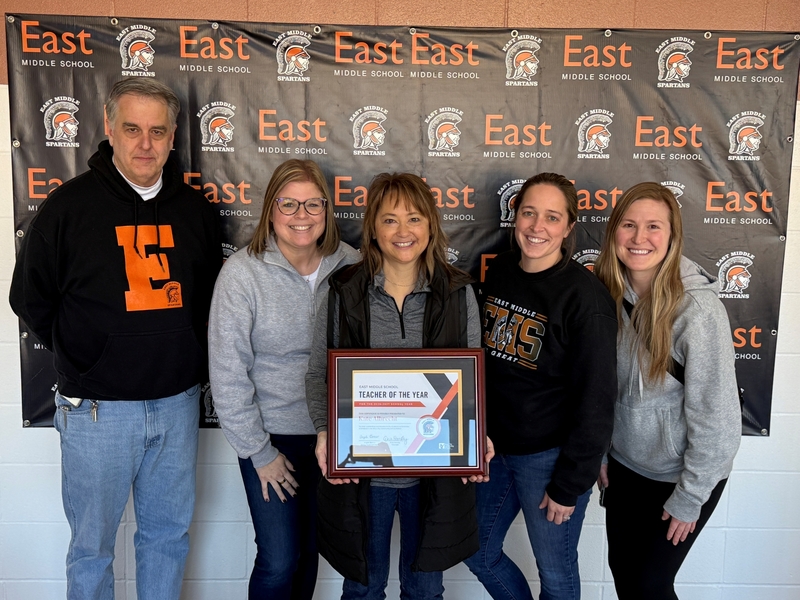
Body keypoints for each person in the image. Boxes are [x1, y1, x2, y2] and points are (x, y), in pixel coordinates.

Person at [9, 78, 221, 599]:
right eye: (132, 129)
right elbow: (29, 299)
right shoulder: (67, 209)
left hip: (176, 406)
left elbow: (210, 303)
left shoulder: (195, 211)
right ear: (108, 129)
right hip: (96, 412)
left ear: (173, 138)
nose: (144, 144)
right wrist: (88, 354)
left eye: (157, 131)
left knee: (166, 539)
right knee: (91, 549)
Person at [305, 173, 492, 599]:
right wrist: (323, 430)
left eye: (414, 218)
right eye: (389, 220)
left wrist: (475, 435)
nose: (403, 232)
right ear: (372, 227)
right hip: (362, 477)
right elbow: (319, 374)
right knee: (363, 590)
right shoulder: (342, 290)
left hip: (434, 477)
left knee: (424, 591)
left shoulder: (459, 292)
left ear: (431, 225)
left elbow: (472, 382)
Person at [208, 159, 359, 600]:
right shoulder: (242, 274)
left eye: (313, 204)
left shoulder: (352, 265)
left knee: (310, 552)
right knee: (278, 559)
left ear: (327, 210)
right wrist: (259, 452)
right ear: (271, 210)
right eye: (289, 204)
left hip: (335, 435)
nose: (301, 215)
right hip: (272, 439)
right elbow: (227, 372)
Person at [465, 172, 617, 600]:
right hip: (494, 453)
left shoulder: (585, 299)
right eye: (529, 213)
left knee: (556, 573)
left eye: (552, 217)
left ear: (569, 227)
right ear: (515, 217)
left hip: (549, 460)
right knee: (476, 551)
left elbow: (598, 401)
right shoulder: (499, 274)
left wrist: (569, 484)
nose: (537, 226)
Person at [594, 182, 741, 600]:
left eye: (654, 226)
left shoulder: (698, 310)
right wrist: (602, 450)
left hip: (679, 474)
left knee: (650, 584)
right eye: (629, 225)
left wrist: (691, 496)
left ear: (673, 236)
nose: (640, 238)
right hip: (625, 468)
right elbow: (598, 386)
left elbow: (719, 418)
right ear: (614, 233)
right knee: (624, 573)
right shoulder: (603, 291)